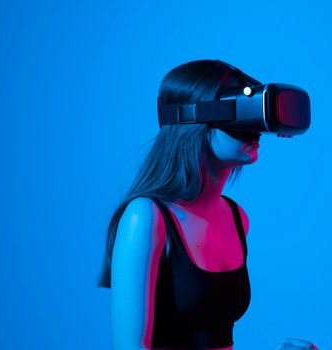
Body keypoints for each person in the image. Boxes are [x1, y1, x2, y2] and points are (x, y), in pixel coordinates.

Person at [97, 59, 262, 350]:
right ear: (194, 122)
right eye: (239, 113)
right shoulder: (146, 217)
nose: (255, 129)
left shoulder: (236, 217)